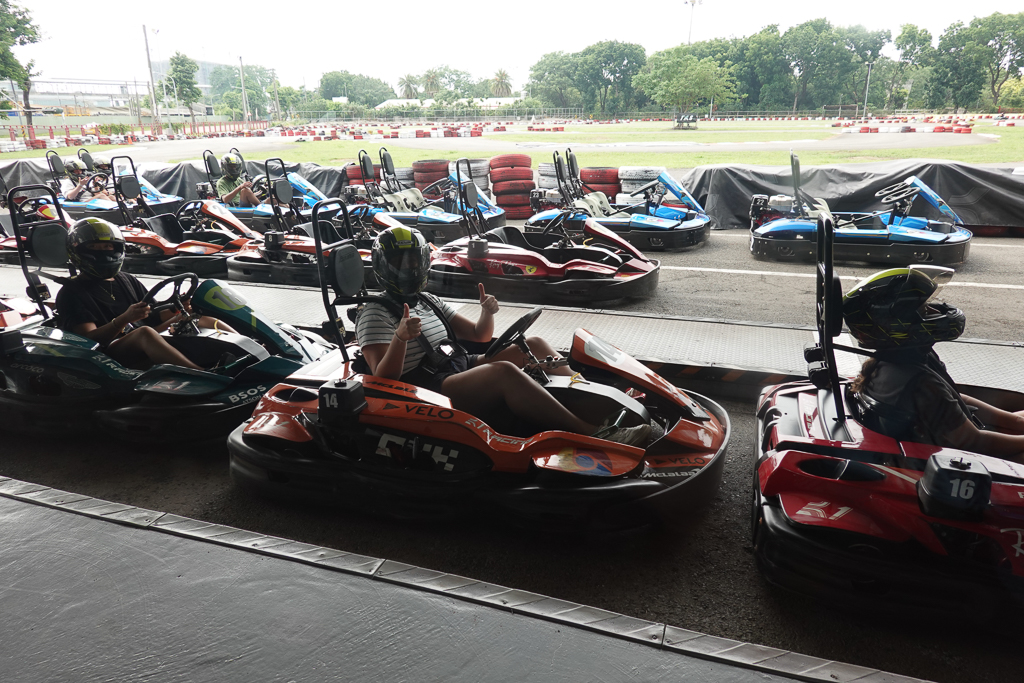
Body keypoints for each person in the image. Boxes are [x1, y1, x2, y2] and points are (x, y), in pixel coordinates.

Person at [355, 226, 651, 447]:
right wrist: (401, 338)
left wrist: (487, 312)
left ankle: (597, 399)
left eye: (414, 260)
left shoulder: (428, 300)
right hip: (425, 389)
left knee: (534, 345)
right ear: (384, 266)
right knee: (504, 372)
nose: (410, 268)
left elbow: (479, 335)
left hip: (459, 365)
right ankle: (591, 433)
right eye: (402, 262)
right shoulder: (374, 312)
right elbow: (384, 378)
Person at [845, 265, 1024, 461]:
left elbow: (954, 399)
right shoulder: (921, 384)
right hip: (962, 459)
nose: (932, 311)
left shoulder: (891, 362)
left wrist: (1016, 420)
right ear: (899, 326)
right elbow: (973, 442)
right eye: (923, 309)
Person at [55, 217, 237, 371]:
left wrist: (175, 309)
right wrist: (124, 319)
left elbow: (152, 315)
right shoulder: (72, 291)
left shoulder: (125, 279)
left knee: (198, 318)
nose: (102, 252)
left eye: (107, 246)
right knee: (144, 333)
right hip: (107, 353)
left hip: (143, 335)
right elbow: (89, 340)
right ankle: (203, 374)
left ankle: (249, 352)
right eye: (94, 247)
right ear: (78, 252)